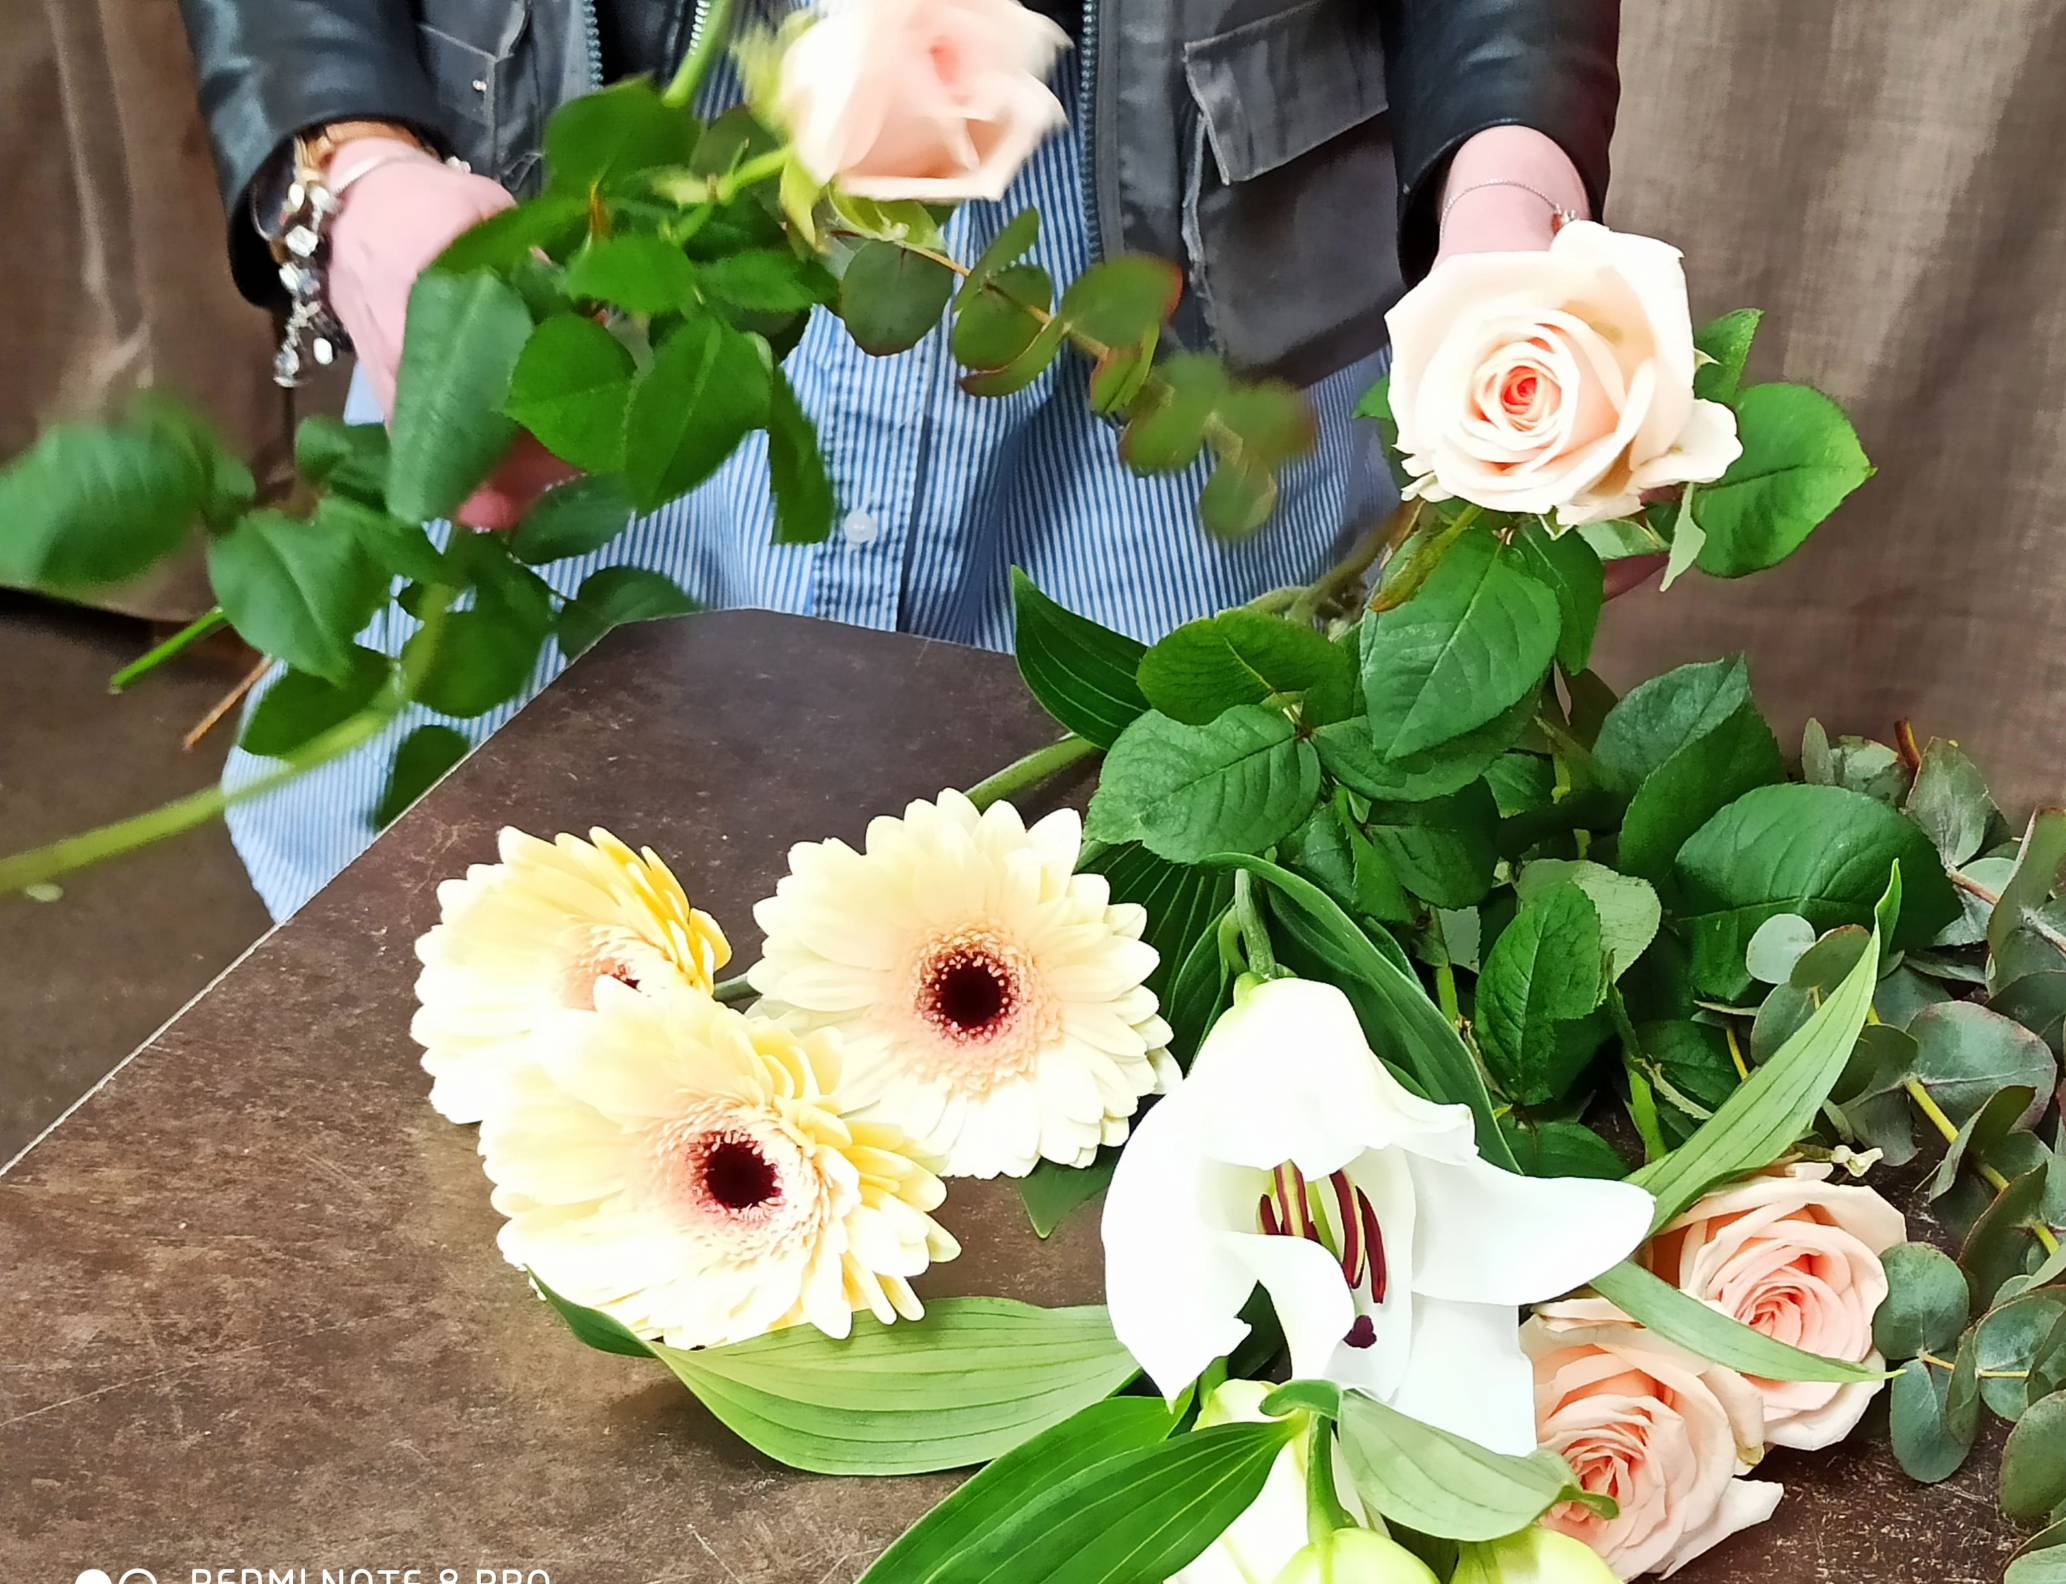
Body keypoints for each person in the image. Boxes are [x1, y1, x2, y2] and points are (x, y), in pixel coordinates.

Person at [178, 0, 1621, 917]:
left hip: (1179, 303)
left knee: (1126, 993)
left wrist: (1504, 194)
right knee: (491, 961)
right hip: (627, 228)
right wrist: (346, 163)